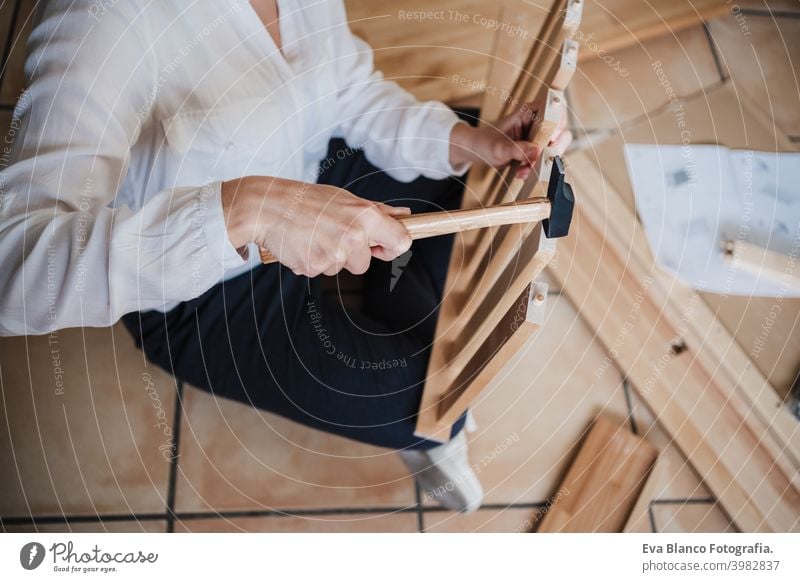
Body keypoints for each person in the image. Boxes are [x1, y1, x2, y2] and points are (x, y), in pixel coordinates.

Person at [0, 0, 568, 512]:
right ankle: (412, 414)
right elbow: (17, 269)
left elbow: (353, 92)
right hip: (203, 285)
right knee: (429, 399)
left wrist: (472, 145)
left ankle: (391, 315)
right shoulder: (100, 19)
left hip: (311, 169)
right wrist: (247, 209)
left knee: (468, 139)